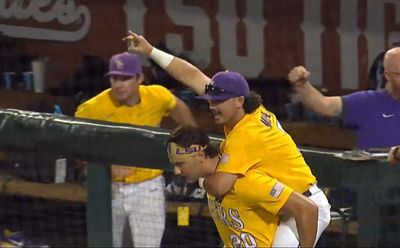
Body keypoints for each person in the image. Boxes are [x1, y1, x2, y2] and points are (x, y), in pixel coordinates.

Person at [123, 31, 331, 247]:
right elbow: (192, 75)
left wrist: (200, 177)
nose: (212, 106)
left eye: (219, 101)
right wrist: (151, 52)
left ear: (239, 100)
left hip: (303, 208)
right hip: (276, 203)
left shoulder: (245, 134)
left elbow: (220, 186)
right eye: (211, 101)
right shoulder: (251, 108)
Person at [74, 52, 196, 247]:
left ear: (139, 78)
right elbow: (74, 146)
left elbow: (178, 107)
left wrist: (191, 144)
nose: (119, 84)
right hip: (109, 188)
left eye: (126, 78)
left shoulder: (156, 96)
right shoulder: (93, 108)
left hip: (148, 187)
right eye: (115, 78)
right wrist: (105, 166)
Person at [167, 125, 319, 247]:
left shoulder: (246, 181)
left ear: (200, 156)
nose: (177, 171)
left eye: (180, 164)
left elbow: (308, 208)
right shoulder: (209, 183)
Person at [287, 47, 400, 150]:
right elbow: (323, 106)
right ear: (387, 75)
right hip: (373, 171)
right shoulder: (368, 102)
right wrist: (302, 85)